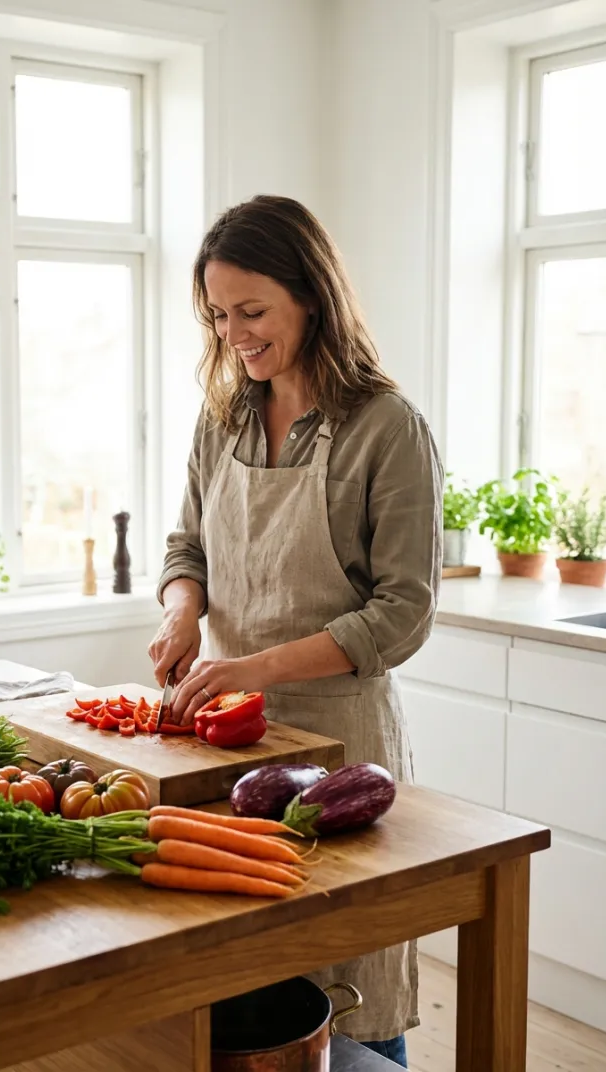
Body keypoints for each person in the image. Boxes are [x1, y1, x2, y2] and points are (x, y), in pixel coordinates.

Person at [148, 193, 443, 1066]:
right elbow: (186, 544)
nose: (233, 333)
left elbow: (403, 611)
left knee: (352, 972)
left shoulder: (386, 429)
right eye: (217, 314)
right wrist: (181, 612)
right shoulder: (225, 416)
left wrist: (254, 664)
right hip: (230, 738)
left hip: (341, 740)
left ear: (311, 295)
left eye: (252, 311)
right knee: (251, 972)